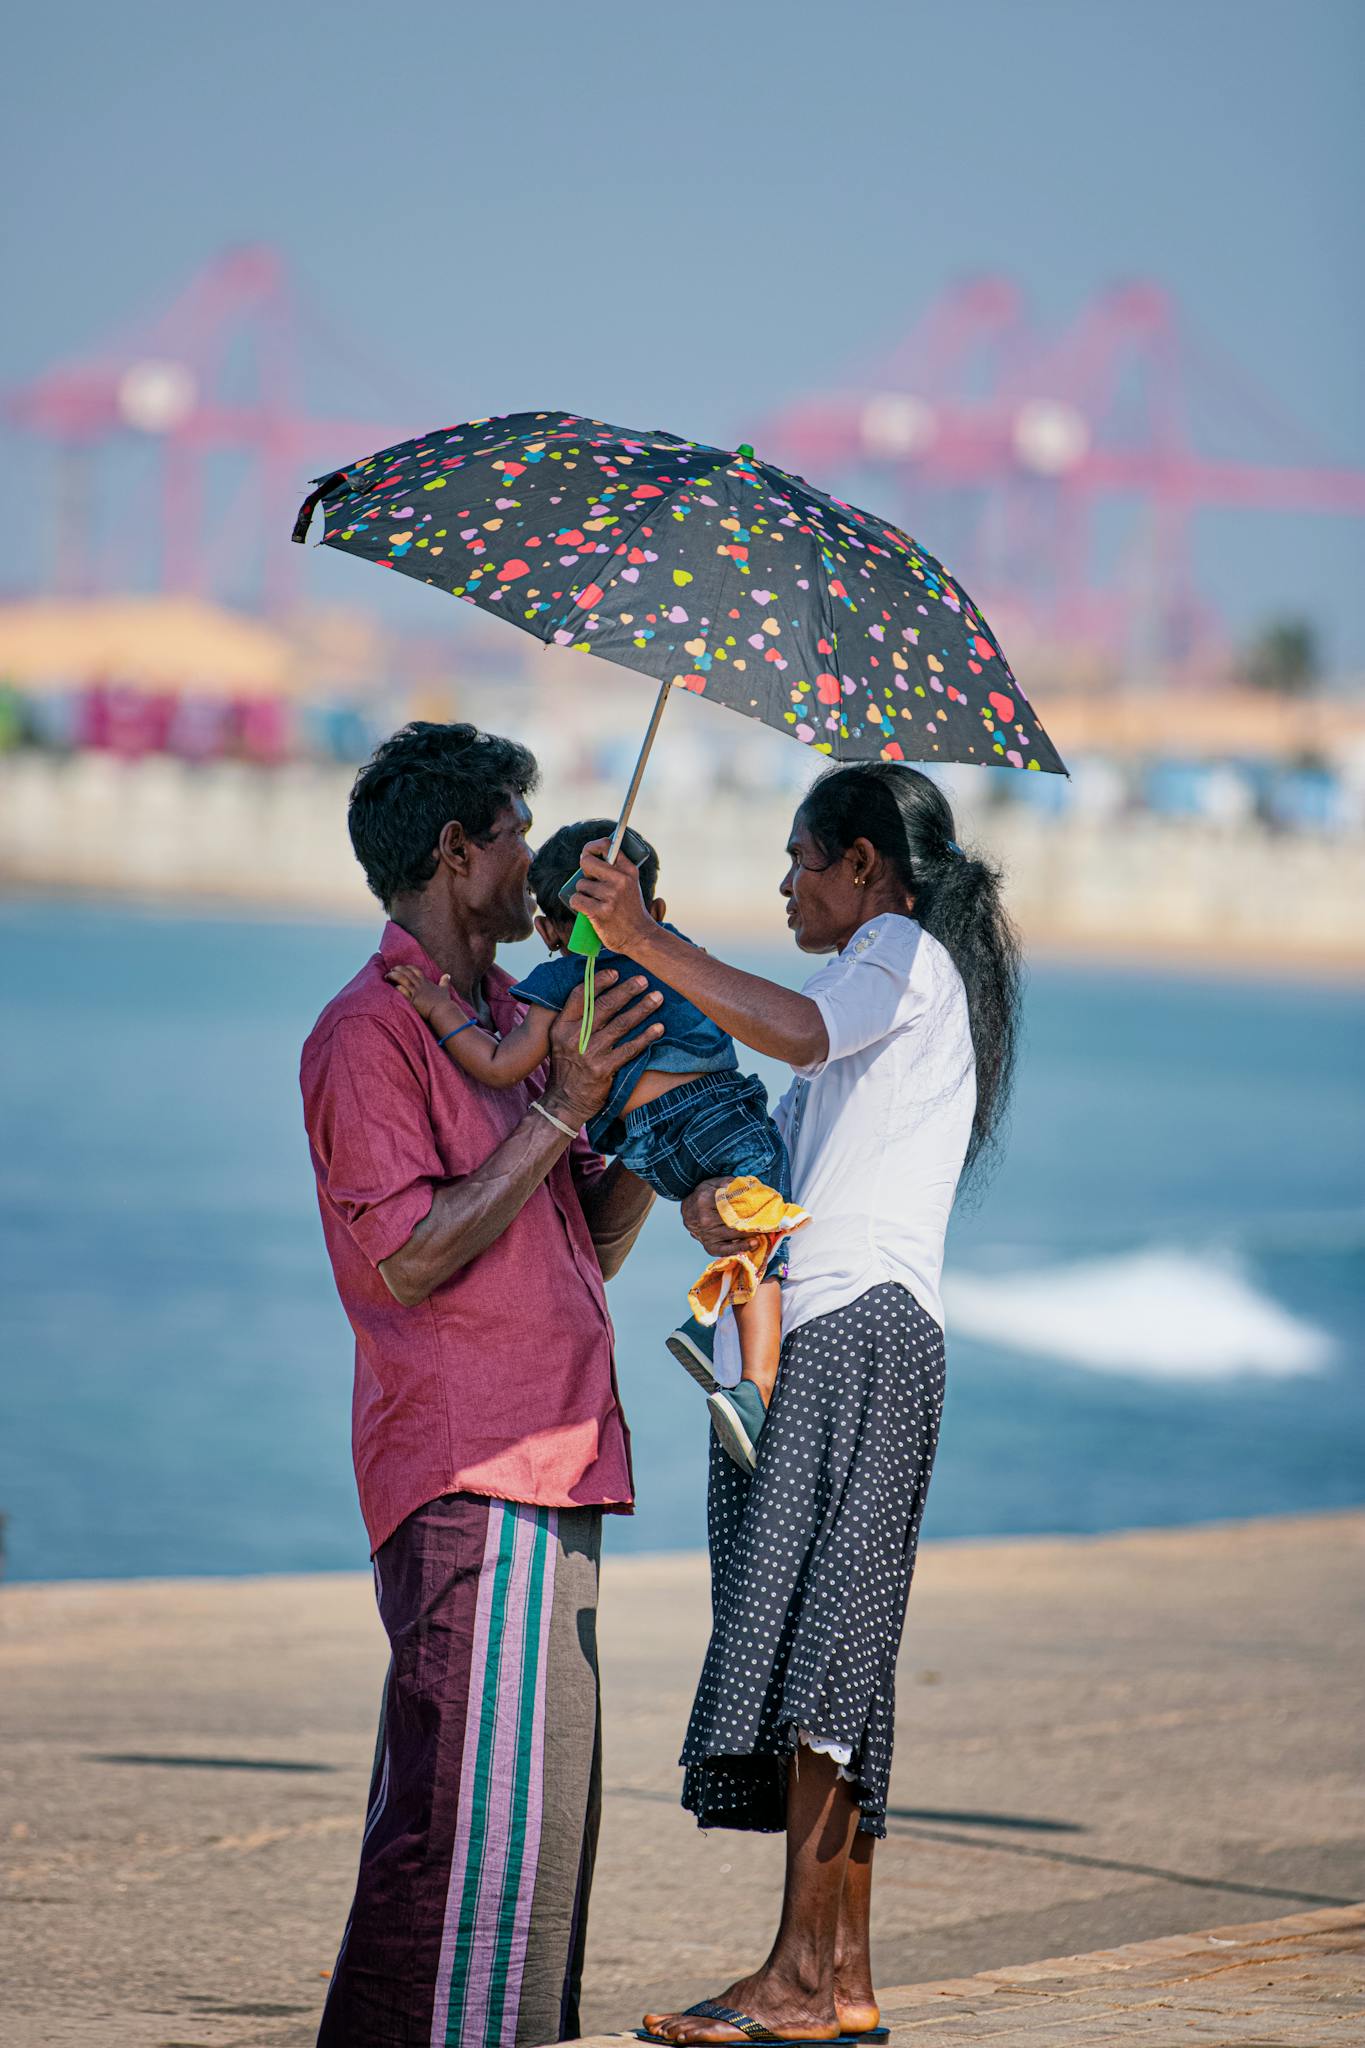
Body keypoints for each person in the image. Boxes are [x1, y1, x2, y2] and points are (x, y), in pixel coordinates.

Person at [567, 760, 1021, 2047]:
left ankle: (794, 1980)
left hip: (859, 1335)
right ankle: (842, 1976)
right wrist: (712, 1201)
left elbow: (798, 1029)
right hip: (837, 1334)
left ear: (864, 866)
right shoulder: (878, 983)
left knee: (827, 1649)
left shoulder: (898, 955)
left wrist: (646, 933)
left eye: (800, 858)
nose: (786, 883)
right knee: (842, 1653)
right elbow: (785, 1133)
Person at [299, 723, 662, 2048]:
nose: (532, 860)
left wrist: (624, 1119)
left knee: (534, 1844)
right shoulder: (366, 1036)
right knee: (460, 1841)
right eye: (514, 832)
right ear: (457, 856)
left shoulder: (518, 1021)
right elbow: (407, 1260)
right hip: (472, 1473)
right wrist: (559, 1113)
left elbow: (587, 1246)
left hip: (551, 1456)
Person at [385, 818, 807, 1472]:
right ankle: (755, 1385)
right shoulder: (670, 948)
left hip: (644, 1151)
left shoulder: (560, 985)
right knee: (764, 1223)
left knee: (733, 1221)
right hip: (716, 1116)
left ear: (550, 930)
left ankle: (718, 1326)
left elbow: (499, 1065)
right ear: (654, 910)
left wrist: (439, 1011)